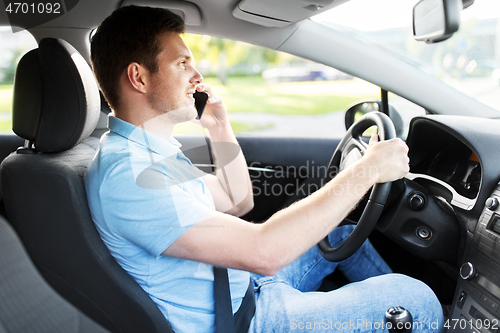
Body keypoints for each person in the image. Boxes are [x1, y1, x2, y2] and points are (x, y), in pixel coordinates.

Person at [85, 5, 444, 333]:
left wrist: (218, 127)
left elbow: (235, 201)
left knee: (337, 235)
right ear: (139, 77)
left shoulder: (147, 152)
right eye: (182, 64)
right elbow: (264, 253)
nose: (197, 75)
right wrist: (367, 169)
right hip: (245, 320)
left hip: (241, 285)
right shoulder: (131, 175)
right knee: (417, 301)